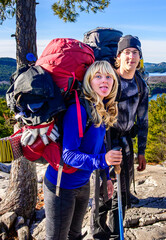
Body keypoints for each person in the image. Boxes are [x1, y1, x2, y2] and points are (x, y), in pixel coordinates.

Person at [43, 60, 123, 240]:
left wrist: (106, 177)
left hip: (83, 184)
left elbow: (99, 146)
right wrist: (104, 161)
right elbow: (69, 155)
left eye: (109, 76)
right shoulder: (77, 111)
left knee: (75, 235)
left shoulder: (99, 109)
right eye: (98, 76)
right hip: (61, 186)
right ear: (89, 82)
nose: (105, 80)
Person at [91, 35, 149, 240]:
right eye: (127, 52)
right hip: (105, 144)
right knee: (104, 192)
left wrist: (141, 151)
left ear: (139, 57)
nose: (131, 57)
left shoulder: (140, 85)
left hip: (127, 144)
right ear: (118, 56)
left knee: (122, 193)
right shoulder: (108, 82)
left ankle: (116, 233)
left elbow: (142, 119)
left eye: (135, 53)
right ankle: (98, 232)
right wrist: (101, 151)